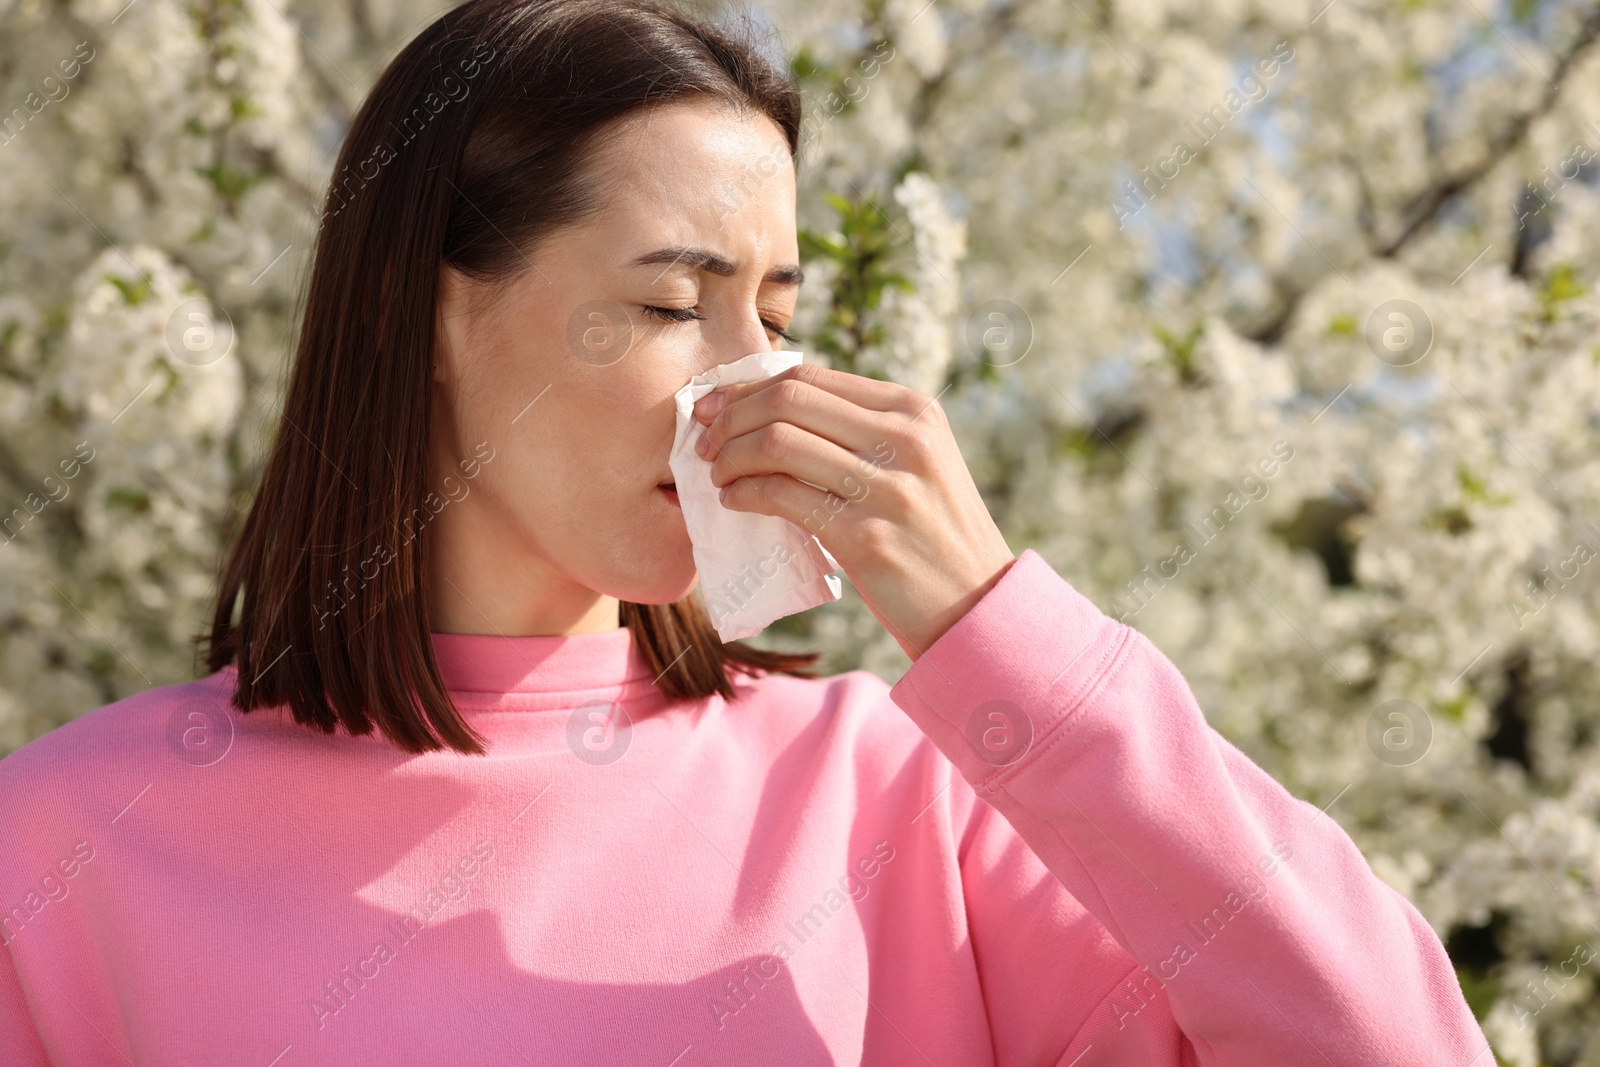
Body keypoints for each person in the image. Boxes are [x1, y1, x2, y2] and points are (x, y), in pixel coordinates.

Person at [0, 0, 1489, 1063]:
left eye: (774, 315)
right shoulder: (65, 850)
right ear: (428, 313)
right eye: (665, 304)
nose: (749, 380)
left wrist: (1005, 636)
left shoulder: (908, 797)